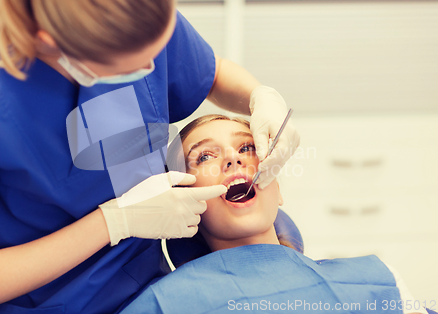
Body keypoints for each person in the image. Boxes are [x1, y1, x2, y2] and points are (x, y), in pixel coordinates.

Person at [0, 0, 300, 313]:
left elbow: (210, 73)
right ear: (51, 42)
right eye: (132, 64)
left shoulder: (130, 2)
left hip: (146, 284)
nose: (152, 67)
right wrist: (116, 221)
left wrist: (259, 95)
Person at [120, 114, 429, 314]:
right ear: (182, 203)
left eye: (247, 148)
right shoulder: (162, 305)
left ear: (278, 190)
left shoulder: (379, 281)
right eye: (204, 156)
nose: (232, 158)